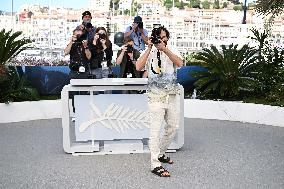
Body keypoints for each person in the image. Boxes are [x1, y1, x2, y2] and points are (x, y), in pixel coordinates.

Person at [136, 26, 183, 177]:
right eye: (159, 37)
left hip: (171, 95)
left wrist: (165, 49)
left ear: (167, 38)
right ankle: (155, 164)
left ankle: (161, 153)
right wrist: (150, 48)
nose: (162, 40)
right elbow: (138, 66)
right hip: (155, 96)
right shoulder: (149, 50)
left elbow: (180, 63)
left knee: (173, 127)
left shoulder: (172, 48)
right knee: (155, 131)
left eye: (164, 37)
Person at [64, 29, 91, 113]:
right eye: (77, 35)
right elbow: (65, 52)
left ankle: (84, 112)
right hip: (74, 72)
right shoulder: (72, 44)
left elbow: (89, 57)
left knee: (84, 93)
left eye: (80, 35)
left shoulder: (85, 44)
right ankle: (75, 113)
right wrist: (72, 41)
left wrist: (85, 46)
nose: (79, 37)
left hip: (84, 72)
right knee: (74, 94)